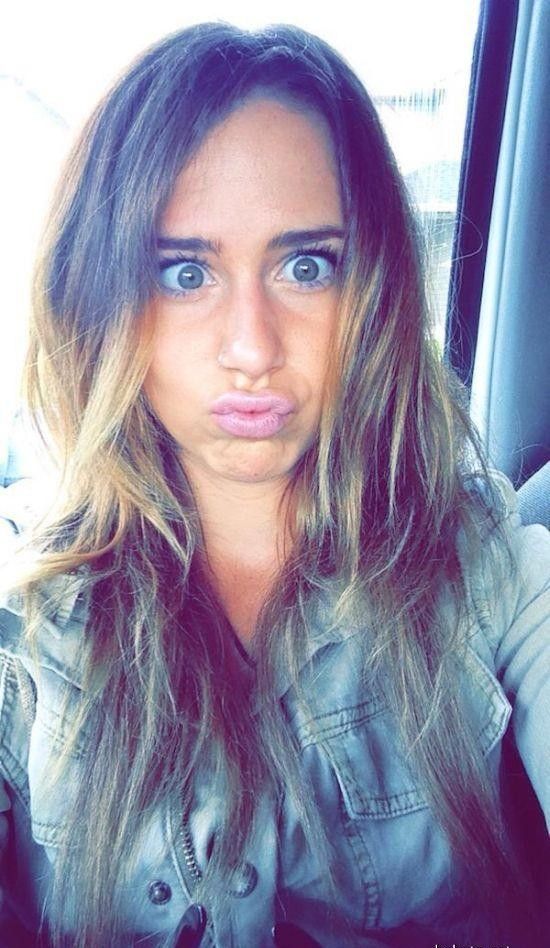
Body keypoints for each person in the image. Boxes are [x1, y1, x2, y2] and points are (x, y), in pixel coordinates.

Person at [0, 21, 548, 948]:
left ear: (370, 289)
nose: (252, 347)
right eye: (185, 273)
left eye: (305, 266)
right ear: (100, 299)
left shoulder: (482, 567)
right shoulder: (28, 613)